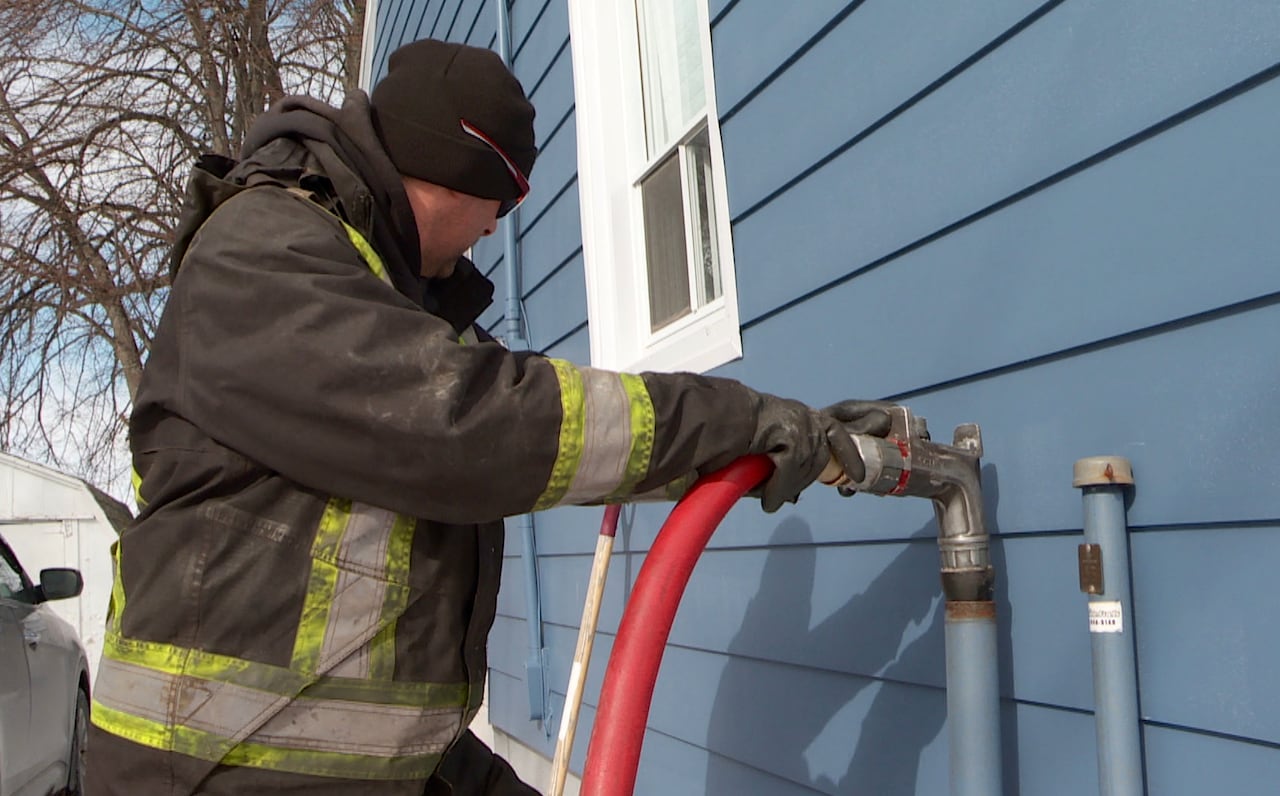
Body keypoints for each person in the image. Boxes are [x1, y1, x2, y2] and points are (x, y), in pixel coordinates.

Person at [85, 38, 892, 796]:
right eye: (494, 202)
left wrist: (779, 442)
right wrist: (737, 421)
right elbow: (475, 426)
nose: (493, 229)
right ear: (444, 173)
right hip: (206, 769)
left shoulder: (385, 298)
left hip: (328, 760)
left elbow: (515, 433)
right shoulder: (264, 253)